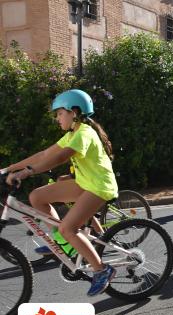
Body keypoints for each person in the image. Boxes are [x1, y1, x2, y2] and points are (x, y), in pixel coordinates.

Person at [2, 89, 119, 296]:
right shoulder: (72, 134)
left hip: (99, 186)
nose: (57, 118)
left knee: (68, 227)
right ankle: (64, 244)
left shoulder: (84, 133)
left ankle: (102, 270)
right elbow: (45, 154)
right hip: (84, 183)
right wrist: (10, 168)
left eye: (59, 113)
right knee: (37, 197)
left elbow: (60, 158)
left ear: (74, 112)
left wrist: (27, 172)